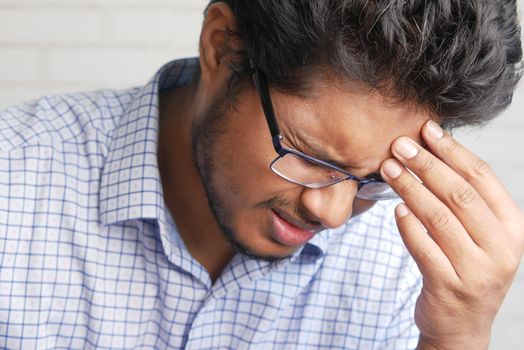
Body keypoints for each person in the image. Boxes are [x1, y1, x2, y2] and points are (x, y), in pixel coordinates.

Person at [0, 0, 523, 348]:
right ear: (223, 46)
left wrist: (458, 337)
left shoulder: (415, 272)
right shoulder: (14, 186)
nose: (334, 213)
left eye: (377, 178)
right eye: (311, 157)